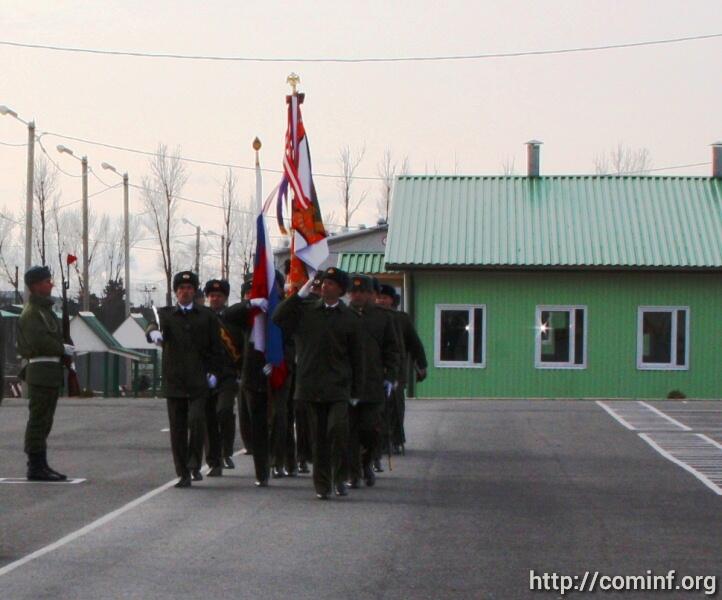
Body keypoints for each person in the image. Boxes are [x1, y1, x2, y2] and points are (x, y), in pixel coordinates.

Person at [273, 267, 364, 500]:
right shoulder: (306, 311)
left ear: (341, 289)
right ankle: (322, 485)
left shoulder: (350, 318)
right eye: (323, 282)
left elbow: (357, 357)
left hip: (338, 387)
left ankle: (339, 477)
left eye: (331, 283)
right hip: (310, 386)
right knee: (318, 438)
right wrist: (299, 294)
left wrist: (356, 390)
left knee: (337, 431)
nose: (324, 286)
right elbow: (278, 317)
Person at [146, 271, 224, 488]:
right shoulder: (167, 315)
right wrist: (153, 333)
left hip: (198, 380)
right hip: (175, 380)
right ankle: (183, 472)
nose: (185, 292)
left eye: (189, 288)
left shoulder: (207, 316)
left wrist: (214, 373)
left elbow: (216, 348)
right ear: (176, 292)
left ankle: (194, 463)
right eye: (181, 288)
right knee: (178, 429)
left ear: (194, 291)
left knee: (197, 422)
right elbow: (153, 325)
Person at [223, 274, 282, 487]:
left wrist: (278, 360)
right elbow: (228, 315)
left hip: (279, 374)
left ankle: (278, 459)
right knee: (257, 425)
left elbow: (292, 339)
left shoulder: (281, 309)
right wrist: (251, 303)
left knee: (278, 420)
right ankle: (261, 471)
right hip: (253, 374)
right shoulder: (250, 313)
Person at [17, 266, 73, 481]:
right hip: (40, 371)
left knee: (45, 420)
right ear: (35, 285)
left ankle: (41, 463)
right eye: (46, 281)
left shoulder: (45, 311)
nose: (51, 284)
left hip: (49, 371)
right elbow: (39, 341)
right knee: (38, 420)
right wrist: (62, 348)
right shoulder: (32, 313)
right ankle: (35, 465)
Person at [347, 275, 399, 487]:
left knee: (370, 429)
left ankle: (366, 462)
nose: (357, 295)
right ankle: (353, 472)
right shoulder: (343, 315)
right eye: (354, 291)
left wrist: (390, 377)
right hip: (347, 383)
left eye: (362, 292)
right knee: (348, 430)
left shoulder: (383, 317)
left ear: (371, 294)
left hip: (372, 383)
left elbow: (392, 350)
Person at [377, 284, 428, 453]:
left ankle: (396, 440)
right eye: (378, 297)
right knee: (378, 408)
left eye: (384, 298)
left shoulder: (401, 319)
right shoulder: (369, 317)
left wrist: (421, 365)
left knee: (395, 406)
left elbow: (414, 343)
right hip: (374, 370)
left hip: (397, 371)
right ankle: (380, 441)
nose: (381, 300)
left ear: (392, 300)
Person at [203, 279, 243, 476]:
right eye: (211, 295)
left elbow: (241, 346)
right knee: (208, 417)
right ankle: (214, 461)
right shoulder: (202, 318)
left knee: (224, 410)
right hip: (206, 375)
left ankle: (226, 451)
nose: (214, 299)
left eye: (218, 296)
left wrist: (241, 371)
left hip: (228, 374)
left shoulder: (233, 319)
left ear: (225, 298)